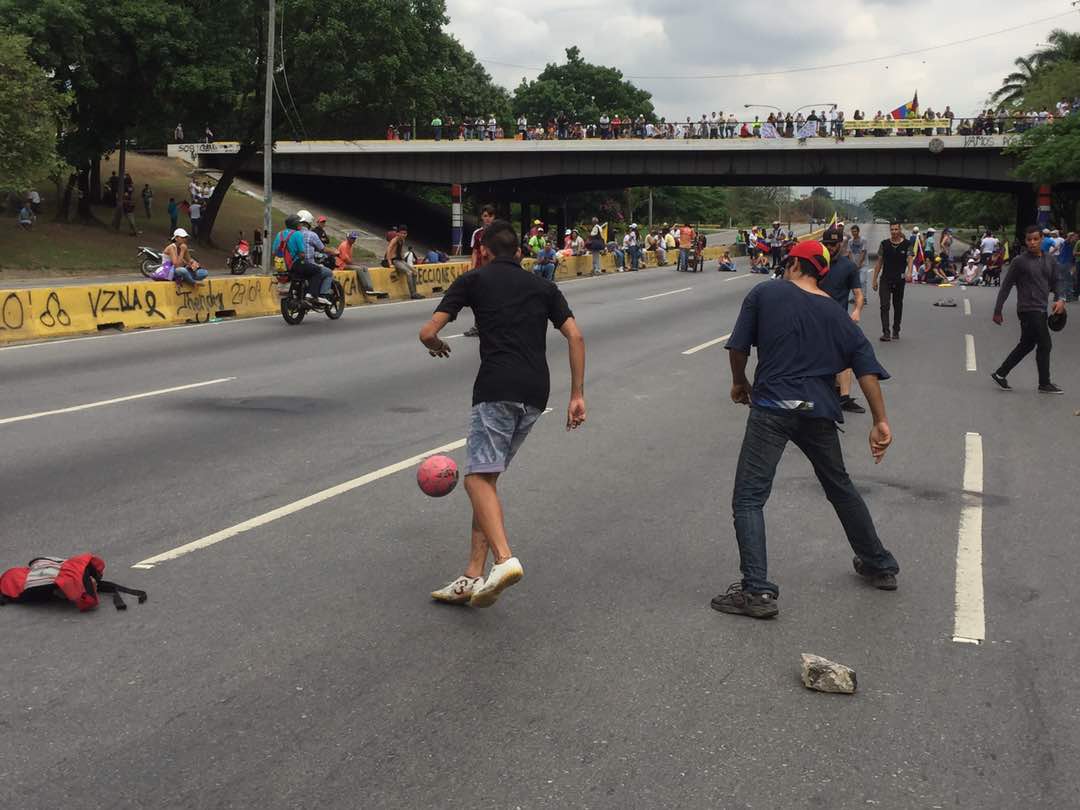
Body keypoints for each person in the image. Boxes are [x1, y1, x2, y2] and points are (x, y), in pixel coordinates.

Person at [712, 239, 899, 619]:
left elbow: (738, 347)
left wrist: (739, 382)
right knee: (840, 487)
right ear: (822, 273)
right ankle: (879, 564)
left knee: (749, 497)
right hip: (819, 410)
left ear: (795, 264)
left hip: (772, 408)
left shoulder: (765, 292)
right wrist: (881, 421)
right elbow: (866, 370)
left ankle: (757, 591)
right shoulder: (835, 314)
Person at [419, 220, 586, 608]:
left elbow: (428, 331)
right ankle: (472, 577)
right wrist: (577, 394)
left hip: (496, 389)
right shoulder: (544, 286)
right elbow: (575, 336)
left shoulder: (474, 280)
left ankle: (504, 559)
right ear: (521, 253)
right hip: (535, 394)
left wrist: (435, 343)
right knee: (488, 478)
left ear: (485, 252)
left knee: (475, 480)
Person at [990, 225, 1067, 394]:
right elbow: (1006, 286)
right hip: (1027, 309)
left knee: (1027, 344)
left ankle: (1000, 373)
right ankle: (1044, 383)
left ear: (1042, 240)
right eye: (1029, 239)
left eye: (1035, 239)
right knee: (1045, 344)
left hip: (1041, 308)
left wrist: (1061, 299)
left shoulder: (1050, 260)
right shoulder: (1020, 261)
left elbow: (1058, 281)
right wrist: (998, 310)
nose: (1032, 243)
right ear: (1025, 241)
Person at [820, 227, 867, 414]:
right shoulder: (816, 264)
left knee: (845, 357)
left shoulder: (848, 267)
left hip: (839, 319)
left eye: (833, 244)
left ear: (841, 244)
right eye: (827, 244)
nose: (830, 248)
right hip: (815, 318)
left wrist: (856, 310)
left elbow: (858, 294)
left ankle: (844, 398)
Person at [872, 222, 913, 341]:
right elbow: (879, 262)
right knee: (884, 305)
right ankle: (886, 332)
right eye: (892, 229)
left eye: (896, 229)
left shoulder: (907, 244)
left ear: (900, 230)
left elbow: (910, 258)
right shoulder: (884, 244)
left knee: (897, 305)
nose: (894, 231)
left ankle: (896, 329)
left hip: (899, 280)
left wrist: (909, 272)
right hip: (885, 279)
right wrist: (874, 279)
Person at [296, 209, 337, 307]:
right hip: (308, 265)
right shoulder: (311, 234)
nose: (323, 224)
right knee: (328, 273)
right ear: (309, 223)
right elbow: (322, 248)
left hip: (294, 265)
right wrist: (334, 251)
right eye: (322, 222)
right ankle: (322, 295)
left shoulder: (293, 234)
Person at [336, 231, 383, 298]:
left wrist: (357, 264)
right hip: (341, 265)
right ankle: (366, 288)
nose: (354, 240)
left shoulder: (350, 245)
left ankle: (370, 287)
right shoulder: (344, 245)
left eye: (354, 239)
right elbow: (346, 260)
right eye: (352, 238)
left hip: (346, 264)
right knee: (359, 269)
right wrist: (356, 265)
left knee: (365, 268)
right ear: (348, 238)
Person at [386, 224, 422, 300]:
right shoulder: (394, 240)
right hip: (394, 260)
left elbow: (401, 250)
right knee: (409, 272)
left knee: (415, 272)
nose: (403, 235)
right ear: (398, 233)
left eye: (405, 233)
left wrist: (403, 260)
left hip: (400, 260)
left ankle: (415, 292)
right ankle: (412, 293)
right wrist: (389, 263)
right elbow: (388, 251)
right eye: (402, 233)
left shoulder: (402, 240)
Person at [848, 224, 868, 301]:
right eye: (852, 232)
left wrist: (859, 264)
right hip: (854, 265)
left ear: (858, 231)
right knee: (854, 281)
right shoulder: (850, 241)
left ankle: (864, 297)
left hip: (863, 264)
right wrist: (852, 264)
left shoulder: (863, 240)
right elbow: (849, 253)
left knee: (862, 281)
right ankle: (854, 297)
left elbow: (863, 252)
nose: (854, 233)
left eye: (855, 231)